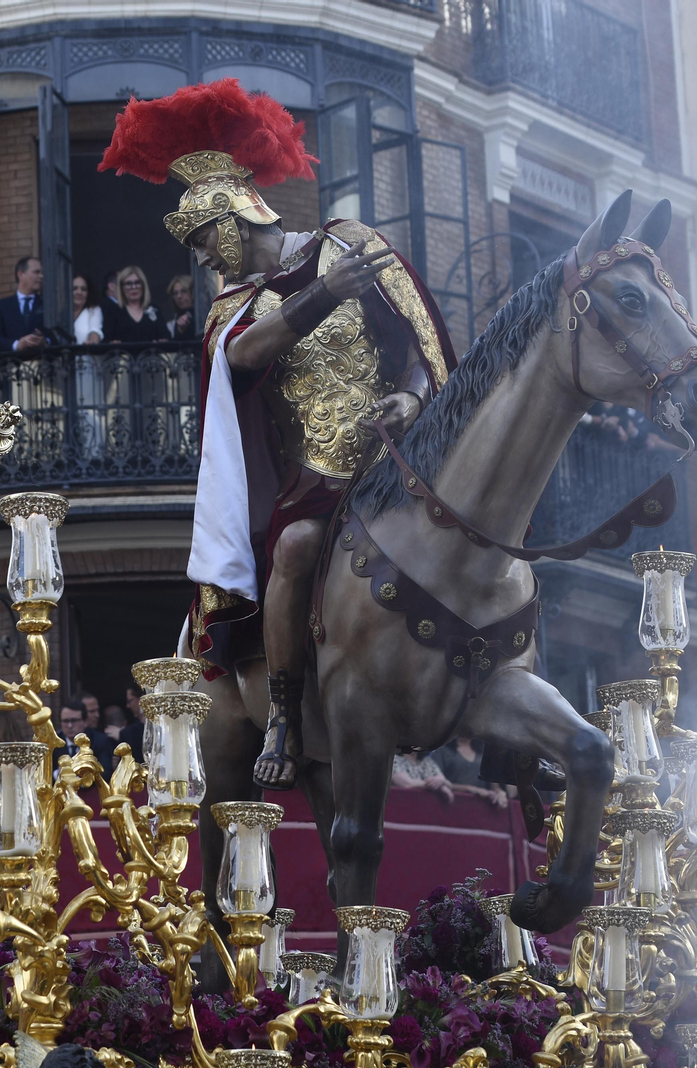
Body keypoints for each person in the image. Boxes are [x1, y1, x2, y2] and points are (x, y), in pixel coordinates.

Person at [101, 79, 456, 791]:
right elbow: (241, 356)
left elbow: (421, 345)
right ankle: (285, 714)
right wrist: (323, 294)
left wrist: (414, 398)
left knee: (485, 526)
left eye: (206, 241)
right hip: (315, 484)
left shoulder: (349, 243)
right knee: (293, 550)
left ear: (236, 215)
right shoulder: (231, 309)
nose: (206, 260)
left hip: (398, 463)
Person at [434, 736, 510, 809]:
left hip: (481, 809)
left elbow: (494, 786)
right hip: (450, 805)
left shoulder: (484, 753)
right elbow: (437, 782)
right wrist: (471, 789)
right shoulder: (443, 750)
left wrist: (500, 793)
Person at [0, 256, 47, 352]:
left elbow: (56, 335)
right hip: (12, 360)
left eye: (42, 272)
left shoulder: (46, 304)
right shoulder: (2, 306)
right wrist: (17, 345)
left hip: (42, 359)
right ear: (21, 274)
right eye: (36, 272)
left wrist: (45, 341)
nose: (41, 276)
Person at [105, 266, 162, 342]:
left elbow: (165, 337)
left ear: (143, 285)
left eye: (137, 283)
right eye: (128, 284)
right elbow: (106, 340)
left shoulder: (155, 309)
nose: (133, 287)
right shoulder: (113, 311)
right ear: (121, 287)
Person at [71, 274, 103, 344]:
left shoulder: (93, 310)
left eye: (83, 289)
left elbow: (95, 331)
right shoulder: (61, 313)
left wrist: (91, 342)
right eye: (74, 288)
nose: (79, 292)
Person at [167, 274, 198, 340]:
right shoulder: (173, 322)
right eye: (175, 293)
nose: (179, 296)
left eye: (184, 291)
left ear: (192, 292)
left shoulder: (202, 315)